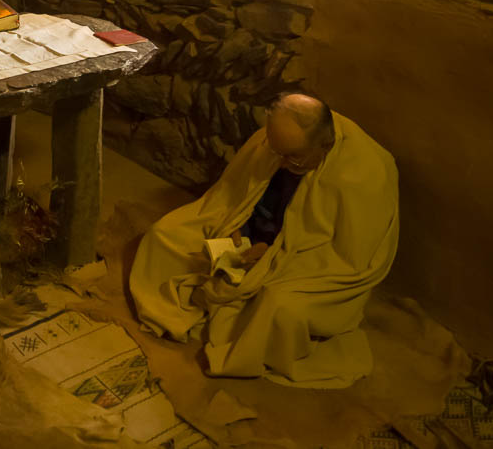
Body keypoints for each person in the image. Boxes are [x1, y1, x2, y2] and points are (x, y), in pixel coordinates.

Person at [128, 92, 399, 388]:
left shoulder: (366, 173)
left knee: (279, 307)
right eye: (277, 152)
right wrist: (240, 231)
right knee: (165, 236)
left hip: (304, 260)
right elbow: (238, 195)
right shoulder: (278, 139)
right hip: (251, 236)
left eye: (293, 157)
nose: (281, 163)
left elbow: (350, 257)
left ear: (325, 145)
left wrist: (271, 255)